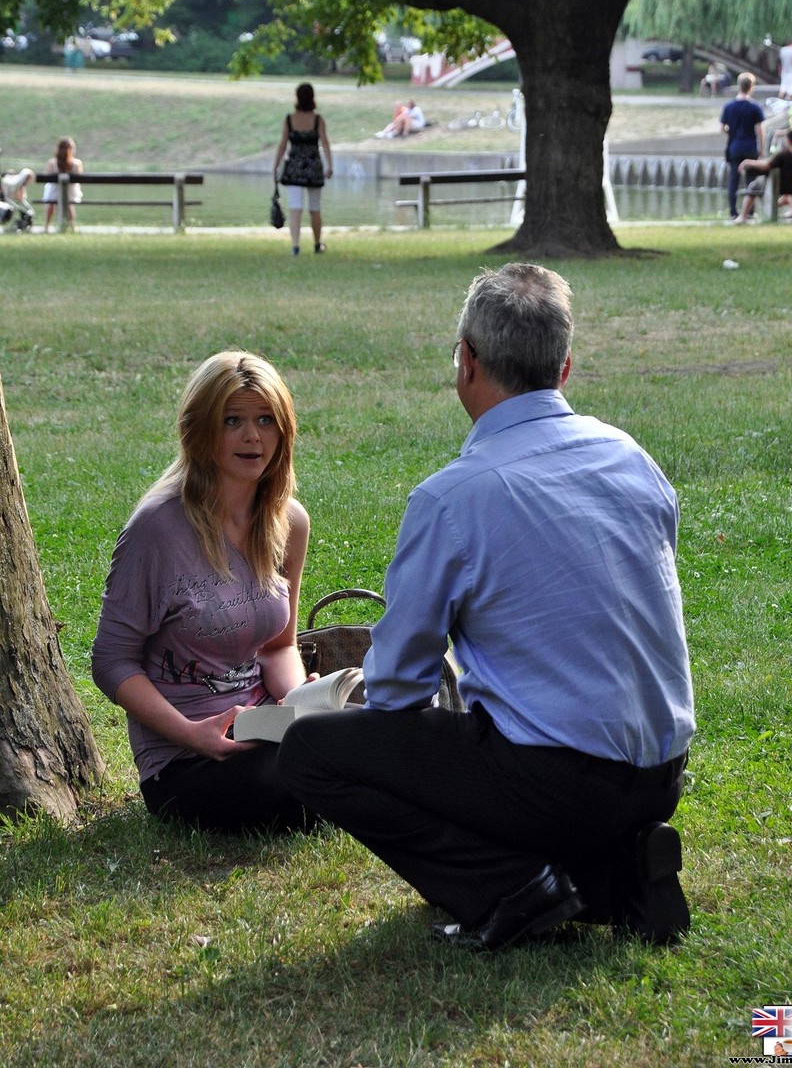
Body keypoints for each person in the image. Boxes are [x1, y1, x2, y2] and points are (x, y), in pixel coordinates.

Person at [280, 263, 695, 952]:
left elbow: (397, 685)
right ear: (564, 368)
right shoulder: (630, 456)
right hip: (661, 774)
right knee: (495, 752)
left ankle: (509, 888)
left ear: (466, 362)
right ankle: (618, 872)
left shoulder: (456, 496)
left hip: (556, 780)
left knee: (311, 752)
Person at [91, 351, 318, 833]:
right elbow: (112, 661)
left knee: (362, 746)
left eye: (265, 420)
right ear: (199, 431)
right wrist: (194, 735)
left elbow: (279, 646)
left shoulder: (288, 523)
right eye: (232, 420)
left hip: (263, 729)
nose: (252, 436)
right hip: (182, 757)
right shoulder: (155, 528)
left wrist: (302, 704)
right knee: (304, 784)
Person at [273, 83, 333, 256]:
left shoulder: (289, 120)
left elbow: (283, 145)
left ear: (297, 97)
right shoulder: (318, 120)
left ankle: (295, 245)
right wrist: (330, 165)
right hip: (314, 167)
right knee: (315, 207)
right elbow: (325, 142)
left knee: (295, 207)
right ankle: (316, 243)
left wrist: (276, 165)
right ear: (313, 97)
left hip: (294, 169)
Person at [720, 74, 765, 220]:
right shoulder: (754, 107)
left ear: (739, 86)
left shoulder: (729, 106)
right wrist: (762, 149)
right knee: (751, 180)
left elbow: (722, 128)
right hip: (750, 146)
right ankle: (749, 212)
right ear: (751, 87)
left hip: (734, 146)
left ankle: (733, 212)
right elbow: (760, 130)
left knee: (733, 179)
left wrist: (731, 131)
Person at [43, 136, 83, 232]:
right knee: (69, 204)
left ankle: (46, 227)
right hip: (71, 194)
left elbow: (48, 177)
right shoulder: (77, 163)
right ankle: (73, 227)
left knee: (51, 202)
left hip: (54, 194)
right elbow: (79, 178)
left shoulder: (52, 163)